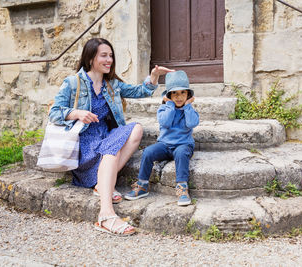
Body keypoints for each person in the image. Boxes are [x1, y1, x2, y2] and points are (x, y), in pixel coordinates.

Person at [49, 38, 174, 235]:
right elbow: (54, 112)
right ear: (91, 58)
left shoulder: (112, 84)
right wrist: (76, 113)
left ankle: (101, 184)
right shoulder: (73, 82)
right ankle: (105, 215)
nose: (109, 60)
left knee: (136, 129)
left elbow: (140, 91)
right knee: (112, 148)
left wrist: (153, 77)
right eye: (104, 55)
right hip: (84, 144)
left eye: (111, 55)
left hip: (105, 137)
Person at [124, 70, 199, 206]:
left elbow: (192, 123)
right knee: (147, 152)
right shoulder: (163, 109)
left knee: (181, 154)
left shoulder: (190, 110)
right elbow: (166, 123)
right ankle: (142, 185)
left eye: (183, 93)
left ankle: (182, 188)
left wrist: (188, 106)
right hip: (165, 145)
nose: (179, 97)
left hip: (183, 145)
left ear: (188, 95)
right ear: (168, 96)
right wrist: (169, 105)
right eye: (174, 93)